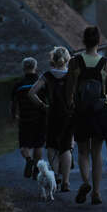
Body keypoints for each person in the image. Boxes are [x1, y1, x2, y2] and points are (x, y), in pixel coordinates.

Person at [65, 26, 107, 205]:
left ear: (83, 41)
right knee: (97, 153)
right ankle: (96, 193)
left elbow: (70, 89)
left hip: (81, 111)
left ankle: (86, 182)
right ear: (98, 42)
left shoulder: (74, 61)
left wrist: (69, 106)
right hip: (100, 112)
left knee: (83, 151)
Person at [29, 47, 73, 192]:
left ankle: (56, 177)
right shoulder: (72, 75)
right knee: (66, 148)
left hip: (52, 114)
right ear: (67, 59)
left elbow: (31, 93)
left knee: (52, 147)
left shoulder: (47, 75)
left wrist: (43, 105)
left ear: (53, 59)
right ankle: (66, 181)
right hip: (68, 115)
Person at [11, 57, 46, 180]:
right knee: (38, 145)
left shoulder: (18, 84)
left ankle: (28, 159)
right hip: (40, 118)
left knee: (24, 145)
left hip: (24, 118)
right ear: (35, 67)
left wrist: (14, 116)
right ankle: (36, 168)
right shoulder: (40, 82)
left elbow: (13, 103)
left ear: (23, 68)